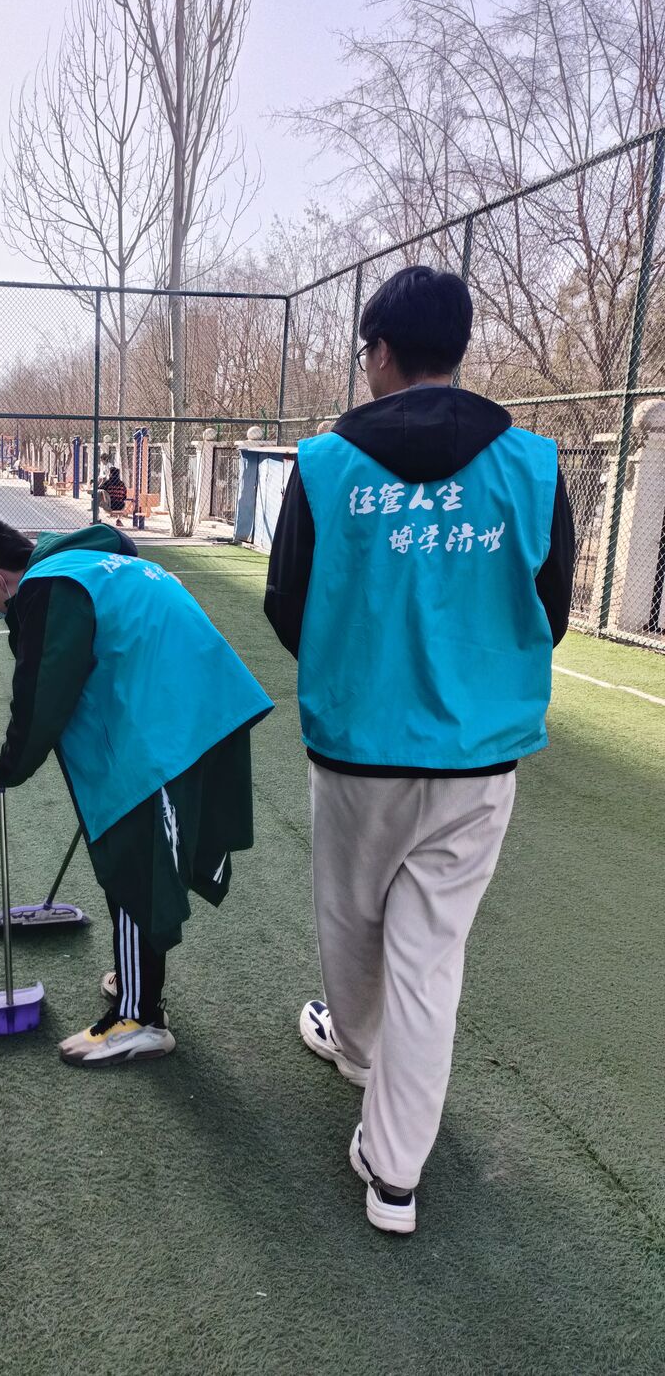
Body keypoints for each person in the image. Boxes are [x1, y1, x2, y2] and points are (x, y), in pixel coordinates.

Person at [264, 266, 576, 1235]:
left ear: (383, 352)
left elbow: (285, 602)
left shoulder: (324, 463)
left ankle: (355, 1047)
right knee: (429, 960)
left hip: (357, 750)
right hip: (478, 759)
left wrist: (359, 669)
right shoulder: (532, 465)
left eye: (367, 350)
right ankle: (392, 1175)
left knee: (350, 924)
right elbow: (552, 608)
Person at [0, 519, 273, 1067]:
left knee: (133, 865)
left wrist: (8, 768)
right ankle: (135, 979)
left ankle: (139, 1018)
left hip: (168, 728)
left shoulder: (48, 587)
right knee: (139, 857)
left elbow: (40, 695)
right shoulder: (91, 561)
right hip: (200, 711)